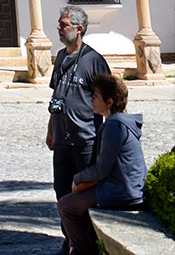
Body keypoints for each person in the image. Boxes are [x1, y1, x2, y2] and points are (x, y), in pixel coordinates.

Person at [57, 73, 146, 255]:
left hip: (122, 192)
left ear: (109, 102)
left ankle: (83, 251)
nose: (91, 98)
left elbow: (102, 169)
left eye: (96, 95)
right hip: (121, 187)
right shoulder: (117, 122)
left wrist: (78, 178)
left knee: (66, 206)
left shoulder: (115, 126)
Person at [46, 5, 109, 255]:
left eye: (63, 24)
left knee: (85, 194)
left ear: (79, 28)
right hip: (62, 141)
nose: (59, 28)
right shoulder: (61, 57)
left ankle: (90, 244)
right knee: (62, 192)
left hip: (86, 140)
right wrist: (51, 129)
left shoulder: (94, 60)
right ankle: (71, 240)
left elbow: (110, 100)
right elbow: (56, 96)